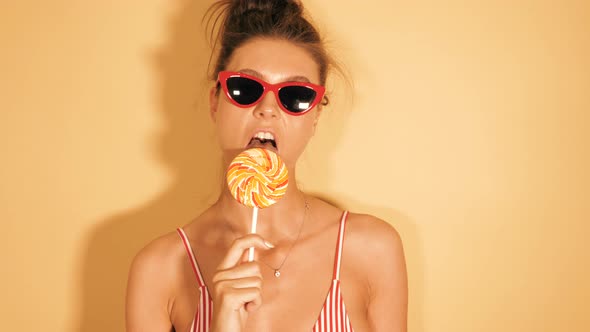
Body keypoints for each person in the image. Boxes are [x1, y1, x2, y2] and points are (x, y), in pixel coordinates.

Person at [125, 1, 407, 331]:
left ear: (315, 116)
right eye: (245, 88)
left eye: (296, 95)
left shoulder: (372, 248)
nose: (268, 108)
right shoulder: (159, 269)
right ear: (215, 101)